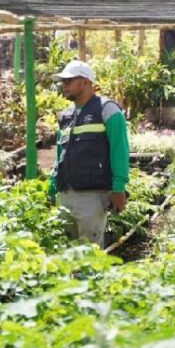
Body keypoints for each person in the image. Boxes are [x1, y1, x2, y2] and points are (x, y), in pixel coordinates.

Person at [48, 60, 130, 248]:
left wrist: (118, 187)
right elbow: (61, 154)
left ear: (85, 82)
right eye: (63, 82)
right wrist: (53, 185)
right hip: (65, 194)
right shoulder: (65, 116)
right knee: (67, 254)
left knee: (89, 256)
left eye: (69, 81)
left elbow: (120, 150)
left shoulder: (107, 110)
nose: (64, 86)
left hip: (91, 197)